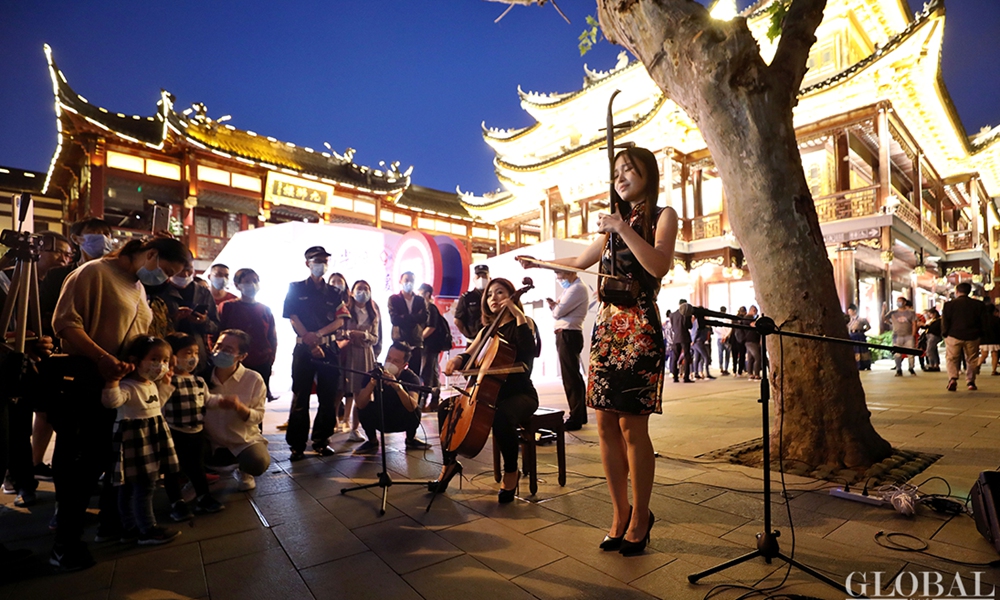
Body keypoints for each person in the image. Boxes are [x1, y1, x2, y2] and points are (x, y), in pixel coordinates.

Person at [520, 146, 676, 555]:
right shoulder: (613, 223)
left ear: (648, 174)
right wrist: (539, 262)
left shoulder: (663, 216)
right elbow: (584, 259)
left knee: (632, 426)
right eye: (616, 172)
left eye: (628, 169)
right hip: (606, 327)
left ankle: (642, 516)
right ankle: (619, 513)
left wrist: (622, 229)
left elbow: (658, 265)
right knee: (604, 424)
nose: (620, 177)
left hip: (639, 325)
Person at [49, 235, 190, 571]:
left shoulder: (138, 287)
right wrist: (101, 358)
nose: (166, 280)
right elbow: (65, 324)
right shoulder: (94, 273)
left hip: (116, 381)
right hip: (84, 377)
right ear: (150, 254)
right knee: (79, 460)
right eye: (166, 271)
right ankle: (64, 543)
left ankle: (111, 526)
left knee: (105, 458)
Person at [435, 278, 540, 504]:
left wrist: (518, 314)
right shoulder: (487, 331)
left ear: (512, 296)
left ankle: (511, 471)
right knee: (446, 407)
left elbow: (528, 351)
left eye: (500, 292)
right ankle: (449, 463)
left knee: (501, 416)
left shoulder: (526, 322)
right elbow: (468, 354)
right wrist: (457, 361)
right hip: (488, 393)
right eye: (490, 294)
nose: (494, 298)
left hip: (520, 393)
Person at [0, 231, 73, 506]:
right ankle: (17, 480)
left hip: (31, 361)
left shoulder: (50, 283)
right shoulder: (8, 278)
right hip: (7, 365)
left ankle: (24, 481)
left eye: (68, 255)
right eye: (60, 252)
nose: (65, 260)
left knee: (21, 428)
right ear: (38, 251)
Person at [101, 335, 181, 545]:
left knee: (130, 488)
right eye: (155, 359)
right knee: (144, 487)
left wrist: (165, 384)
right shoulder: (128, 385)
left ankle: (130, 528)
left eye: (165, 361)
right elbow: (111, 402)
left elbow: (156, 404)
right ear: (135, 360)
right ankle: (147, 529)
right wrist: (113, 380)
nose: (161, 365)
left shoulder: (149, 384)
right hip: (134, 439)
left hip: (149, 437)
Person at [282, 247, 350, 460]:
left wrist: (319, 335)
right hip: (303, 348)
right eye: (317, 260)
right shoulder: (295, 288)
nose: (321, 264)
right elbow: (292, 317)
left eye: (324, 260)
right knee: (300, 396)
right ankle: (297, 445)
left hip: (328, 348)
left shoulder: (334, 292)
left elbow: (341, 318)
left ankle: (322, 440)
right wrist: (309, 339)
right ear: (307, 263)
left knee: (328, 397)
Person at [160, 333, 227, 522]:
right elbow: (159, 404)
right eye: (187, 352)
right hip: (174, 432)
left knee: (197, 467)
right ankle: (176, 503)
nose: (193, 358)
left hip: (196, 432)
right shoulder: (167, 381)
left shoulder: (199, 381)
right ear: (173, 356)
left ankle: (203, 496)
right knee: (172, 470)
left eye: (196, 353)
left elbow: (207, 400)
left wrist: (224, 401)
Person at [203, 329, 271, 489]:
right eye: (218, 346)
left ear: (242, 356)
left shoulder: (253, 379)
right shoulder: (202, 377)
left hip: (242, 440)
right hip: (210, 440)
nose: (220, 352)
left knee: (257, 462)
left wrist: (240, 408)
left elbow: (258, 416)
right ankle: (198, 478)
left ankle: (244, 470)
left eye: (228, 350)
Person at [353, 342, 429, 453]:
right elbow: (360, 404)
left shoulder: (411, 378)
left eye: (396, 361)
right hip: (380, 416)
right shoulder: (373, 374)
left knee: (416, 408)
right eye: (388, 358)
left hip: (401, 417)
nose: (390, 363)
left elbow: (412, 406)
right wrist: (372, 384)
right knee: (363, 406)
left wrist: (397, 387)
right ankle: (372, 441)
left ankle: (410, 439)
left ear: (404, 365)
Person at [219, 268, 278, 399]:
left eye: (255, 281)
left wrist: (270, 357)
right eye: (247, 281)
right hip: (233, 362)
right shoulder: (228, 307)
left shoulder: (265, 310)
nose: (252, 284)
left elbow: (272, 336)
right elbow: (218, 332)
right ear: (237, 285)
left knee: (257, 401)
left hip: (261, 361)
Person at [338, 279, 382, 442]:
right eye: (359, 288)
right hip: (348, 353)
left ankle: (355, 428)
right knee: (341, 390)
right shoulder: (346, 310)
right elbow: (338, 331)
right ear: (352, 291)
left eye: (366, 289)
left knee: (361, 392)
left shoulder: (373, 313)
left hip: (365, 354)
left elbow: (375, 338)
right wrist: (349, 334)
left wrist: (364, 335)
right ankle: (336, 423)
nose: (362, 292)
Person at [547, 269, 589, 430]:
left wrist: (555, 307)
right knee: (573, 376)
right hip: (569, 334)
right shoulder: (571, 288)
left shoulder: (576, 288)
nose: (559, 279)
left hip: (568, 334)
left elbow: (558, 312)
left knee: (570, 377)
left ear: (570, 273)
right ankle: (579, 414)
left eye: (560, 275)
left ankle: (575, 417)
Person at [942, 282, 986, 391]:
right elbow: (983, 322)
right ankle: (970, 381)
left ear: (957, 291)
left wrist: (945, 334)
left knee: (952, 358)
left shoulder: (949, 305)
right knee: (971, 359)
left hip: (954, 335)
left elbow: (945, 321)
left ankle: (952, 378)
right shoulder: (978, 304)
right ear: (969, 292)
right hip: (973, 336)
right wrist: (981, 334)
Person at [387, 271, 427, 382]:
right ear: (400, 281)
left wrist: (404, 317)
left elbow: (424, 318)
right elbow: (395, 320)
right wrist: (414, 317)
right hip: (399, 341)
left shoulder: (420, 300)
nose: (409, 283)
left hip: (416, 342)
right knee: (395, 374)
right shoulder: (394, 299)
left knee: (414, 377)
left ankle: (413, 397)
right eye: (406, 280)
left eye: (412, 281)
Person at [418, 283, 449, 411]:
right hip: (429, 346)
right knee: (432, 372)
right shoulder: (425, 308)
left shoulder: (430, 308)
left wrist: (418, 339)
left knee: (427, 373)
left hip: (430, 346)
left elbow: (431, 327)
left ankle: (425, 401)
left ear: (426, 294)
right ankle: (434, 400)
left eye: (420, 294)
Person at [454, 264, 489, 341]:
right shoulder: (467, 297)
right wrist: (469, 334)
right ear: (474, 279)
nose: (481, 279)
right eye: (478, 276)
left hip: (492, 338)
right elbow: (457, 320)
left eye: (484, 276)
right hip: (473, 339)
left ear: (489, 278)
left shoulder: (493, 297)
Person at [885, 297, 918, 376]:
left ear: (904, 303)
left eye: (900, 301)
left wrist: (913, 334)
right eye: (897, 301)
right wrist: (883, 310)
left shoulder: (911, 313)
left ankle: (911, 368)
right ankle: (898, 369)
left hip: (908, 335)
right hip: (897, 336)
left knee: (911, 354)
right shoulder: (893, 313)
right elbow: (884, 319)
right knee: (897, 354)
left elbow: (914, 323)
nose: (898, 303)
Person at [669, 300, 693, 383]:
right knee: (686, 357)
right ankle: (686, 377)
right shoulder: (686, 314)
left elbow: (672, 327)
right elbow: (689, 326)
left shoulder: (672, 314)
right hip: (685, 337)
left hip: (676, 338)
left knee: (675, 358)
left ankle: (675, 377)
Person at [846, 304, 872, 370]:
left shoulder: (861, 319)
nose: (849, 313)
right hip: (852, 335)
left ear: (854, 311)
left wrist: (863, 331)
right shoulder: (849, 320)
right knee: (855, 350)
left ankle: (865, 364)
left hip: (859, 335)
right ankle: (857, 364)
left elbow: (868, 326)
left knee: (862, 350)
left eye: (850, 311)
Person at [979, 303, 1000, 376]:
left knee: (984, 355)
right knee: (994, 354)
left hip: (983, 339)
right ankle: (994, 370)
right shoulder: (996, 319)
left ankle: (977, 366)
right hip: (994, 339)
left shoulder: (981, 320)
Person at [743, 306, 762, 380]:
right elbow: (753, 325)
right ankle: (756, 374)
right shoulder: (748, 318)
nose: (755, 312)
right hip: (750, 341)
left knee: (750, 358)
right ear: (751, 310)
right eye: (754, 310)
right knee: (757, 357)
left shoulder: (753, 318)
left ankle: (750, 373)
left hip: (753, 340)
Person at [922, 307, 942, 372]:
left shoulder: (938, 320)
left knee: (929, 350)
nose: (929, 315)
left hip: (934, 336)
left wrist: (926, 326)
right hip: (930, 336)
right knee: (933, 350)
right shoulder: (932, 320)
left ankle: (932, 364)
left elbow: (933, 328)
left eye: (930, 314)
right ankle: (936, 364)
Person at [730, 306, 748, 377]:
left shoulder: (734, 319)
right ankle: (739, 372)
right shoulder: (744, 319)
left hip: (733, 339)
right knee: (742, 356)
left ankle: (734, 370)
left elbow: (732, 329)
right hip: (741, 340)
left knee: (734, 356)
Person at [715, 307, 731, 376]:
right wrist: (726, 335)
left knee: (720, 353)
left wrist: (721, 335)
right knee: (727, 354)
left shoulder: (717, 318)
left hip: (719, 338)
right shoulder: (728, 319)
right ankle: (726, 369)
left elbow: (715, 329)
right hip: (727, 338)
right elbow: (730, 328)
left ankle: (721, 368)